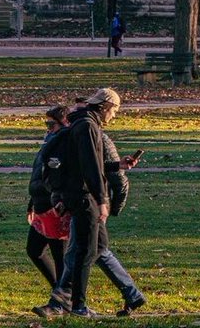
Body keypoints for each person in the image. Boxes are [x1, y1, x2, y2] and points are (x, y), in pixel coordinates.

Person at [36, 113, 145, 318]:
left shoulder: (92, 134)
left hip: (92, 203)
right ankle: (132, 294)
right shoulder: (68, 138)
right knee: (98, 250)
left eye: (51, 124)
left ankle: (62, 301)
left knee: (80, 252)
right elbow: (72, 172)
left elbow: (101, 173)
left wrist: (110, 205)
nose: (49, 129)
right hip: (82, 202)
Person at [50, 87, 122, 316]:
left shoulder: (80, 123)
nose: (114, 116)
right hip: (85, 197)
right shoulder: (88, 126)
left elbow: (88, 163)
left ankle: (64, 294)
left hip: (77, 194)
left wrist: (118, 165)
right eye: (114, 110)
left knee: (98, 246)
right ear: (106, 106)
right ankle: (77, 304)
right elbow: (90, 167)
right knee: (86, 251)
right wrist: (102, 200)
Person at [27, 106, 71, 294]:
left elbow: (58, 177)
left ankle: (63, 297)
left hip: (54, 206)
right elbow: (40, 173)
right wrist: (32, 201)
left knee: (60, 256)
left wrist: (58, 199)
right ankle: (58, 291)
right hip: (41, 204)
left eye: (51, 124)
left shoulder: (63, 144)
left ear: (64, 123)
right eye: (47, 124)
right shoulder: (50, 142)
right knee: (34, 250)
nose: (48, 129)